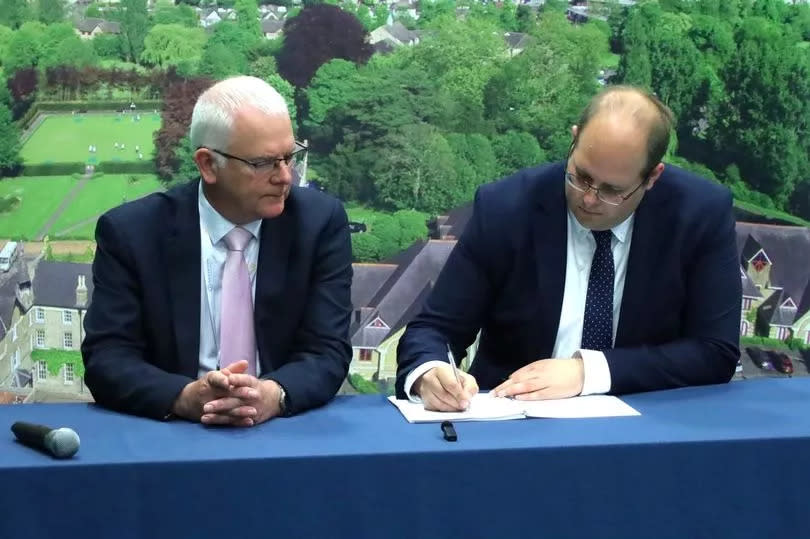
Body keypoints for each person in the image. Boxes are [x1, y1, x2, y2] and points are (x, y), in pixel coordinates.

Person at [396, 85, 742, 411]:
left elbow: (714, 351)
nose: (589, 199)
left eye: (611, 190)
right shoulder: (506, 207)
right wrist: (430, 371)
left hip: (643, 428)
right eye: (581, 176)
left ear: (652, 177)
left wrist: (587, 372)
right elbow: (434, 330)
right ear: (574, 139)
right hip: (514, 425)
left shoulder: (699, 214)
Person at [82, 76, 353, 426]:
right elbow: (107, 359)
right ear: (208, 164)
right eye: (264, 163)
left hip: (283, 431)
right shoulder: (132, 233)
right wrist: (184, 397)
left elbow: (327, 351)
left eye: (290, 157)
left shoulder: (319, 224)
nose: (285, 176)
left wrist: (273, 394)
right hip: (172, 436)